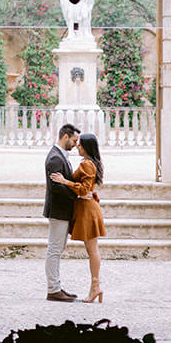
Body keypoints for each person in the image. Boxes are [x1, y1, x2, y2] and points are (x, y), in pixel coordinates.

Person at [54, 131, 107, 303]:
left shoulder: (87, 164)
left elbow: (84, 189)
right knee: (92, 250)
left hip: (87, 211)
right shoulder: (91, 163)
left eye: (80, 144)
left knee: (92, 251)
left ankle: (95, 286)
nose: (77, 146)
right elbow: (88, 188)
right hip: (88, 207)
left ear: (86, 147)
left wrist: (65, 182)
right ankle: (95, 286)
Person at [42, 124, 83, 302]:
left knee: (57, 249)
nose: (75, 144)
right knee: (54, 249)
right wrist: (76, 193)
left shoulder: (59, 156)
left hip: (62, 210)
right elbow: (55, 187)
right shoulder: (55, 158)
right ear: (65, 136)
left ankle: (56, 286)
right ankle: (53, 289)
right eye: (74, 140)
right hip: (58, 210)